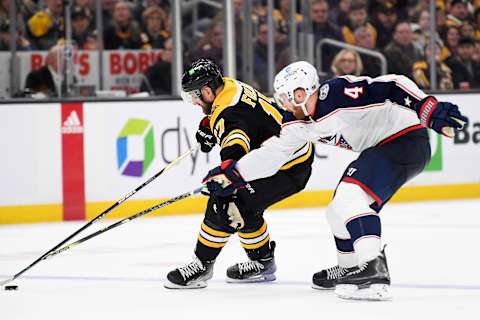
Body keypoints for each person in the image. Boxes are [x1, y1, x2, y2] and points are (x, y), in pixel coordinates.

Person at [202, 61, 468, 301]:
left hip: (405, 138)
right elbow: (273, 154)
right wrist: (233, 175)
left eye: (286, 98)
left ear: (302, 92)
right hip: (383, 147)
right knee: (336, 211)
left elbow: (392, 84)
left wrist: (425, 107)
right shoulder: (296, 123)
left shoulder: (338, 94)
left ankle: (373, 267)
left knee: (351, 198)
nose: (284, 105)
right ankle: (351, 267)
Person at [164, 59, 314, 289]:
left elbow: (235, 142)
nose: (194, 101)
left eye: (195, 95)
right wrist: (210, 125)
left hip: (287, 167)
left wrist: (226, 173)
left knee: (225, 201)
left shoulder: (229, 114)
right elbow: (245, 118)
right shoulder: (228, 86)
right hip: (285, 156)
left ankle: (201, 266)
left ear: (207, 90)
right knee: (245, 206)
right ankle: (262, 262)